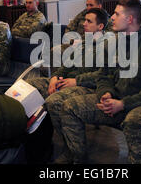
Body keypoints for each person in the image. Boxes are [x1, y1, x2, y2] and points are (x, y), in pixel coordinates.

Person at [54, 0, 141, 164]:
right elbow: (103, 75)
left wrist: (123, 104)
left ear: (130, 19)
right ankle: (76, 158)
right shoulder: (115, 42)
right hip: (117, 102)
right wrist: (106, 93)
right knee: (69, 107)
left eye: (117, 14)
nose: (111, 17)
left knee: (135, 120)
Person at [25, 8, 109, 162]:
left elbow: (103, 76)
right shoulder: (84, 42)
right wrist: (54, 77)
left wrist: (76, 81)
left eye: (89, 21)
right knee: (30, 86)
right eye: (84, 20)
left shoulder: (106, 46)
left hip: (89, 87)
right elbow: (66, 65)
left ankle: (75, 153)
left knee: (54, 101)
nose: (84, 24)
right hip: (69, 82)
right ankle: (38, 142)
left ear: (100, 27)